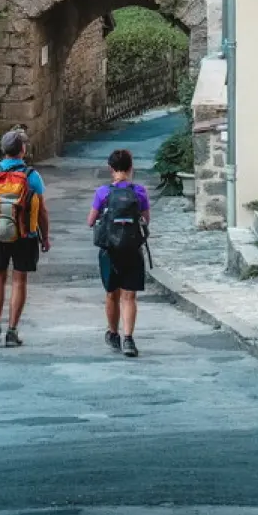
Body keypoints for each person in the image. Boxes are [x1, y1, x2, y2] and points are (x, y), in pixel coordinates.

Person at [0, 129, 50, 347]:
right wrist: (45, 237)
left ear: (4, 150)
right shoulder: (31, 175)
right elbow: (41, 210)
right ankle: (12, 330)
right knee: (19, 280)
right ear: (23, 150)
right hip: (26, 235)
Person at [87, 149, 150, 358]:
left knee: (111, 294)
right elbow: (146, 220)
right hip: (132, 249)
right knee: (129, 296)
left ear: (110, 169)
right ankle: (129, 339)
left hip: (109, 250)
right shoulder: (139, 192)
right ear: (131, 168)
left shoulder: (102, 193)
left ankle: (113, 333)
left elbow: (90, 221)